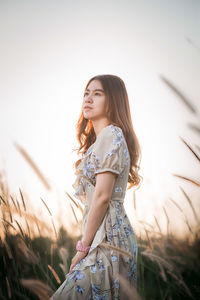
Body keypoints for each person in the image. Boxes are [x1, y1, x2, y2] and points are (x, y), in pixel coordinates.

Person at [50, 74, 142, 299]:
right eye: (86, 93)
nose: (88, 99)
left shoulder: (111, 134)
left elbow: (102, 196)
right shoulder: (103, 139)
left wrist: (82, 248)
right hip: (105, 235)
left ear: (113, 100)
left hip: (108, 239)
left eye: (97, 94)